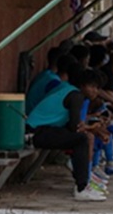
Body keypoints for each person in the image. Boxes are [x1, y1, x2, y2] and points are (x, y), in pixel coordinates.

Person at [25, 65, 106, 202]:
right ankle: (81, 188)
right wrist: (92, 128)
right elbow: (75, 127)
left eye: (97, 88)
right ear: (82, 85)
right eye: (92, 86)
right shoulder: (76, 96)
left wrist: (87, 128)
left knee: (81, 138)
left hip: (41, 129)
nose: (95, 91)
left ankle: (81, 176)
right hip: (35, 133)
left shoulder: (67, 88)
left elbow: (72, 126)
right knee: (81, 139)